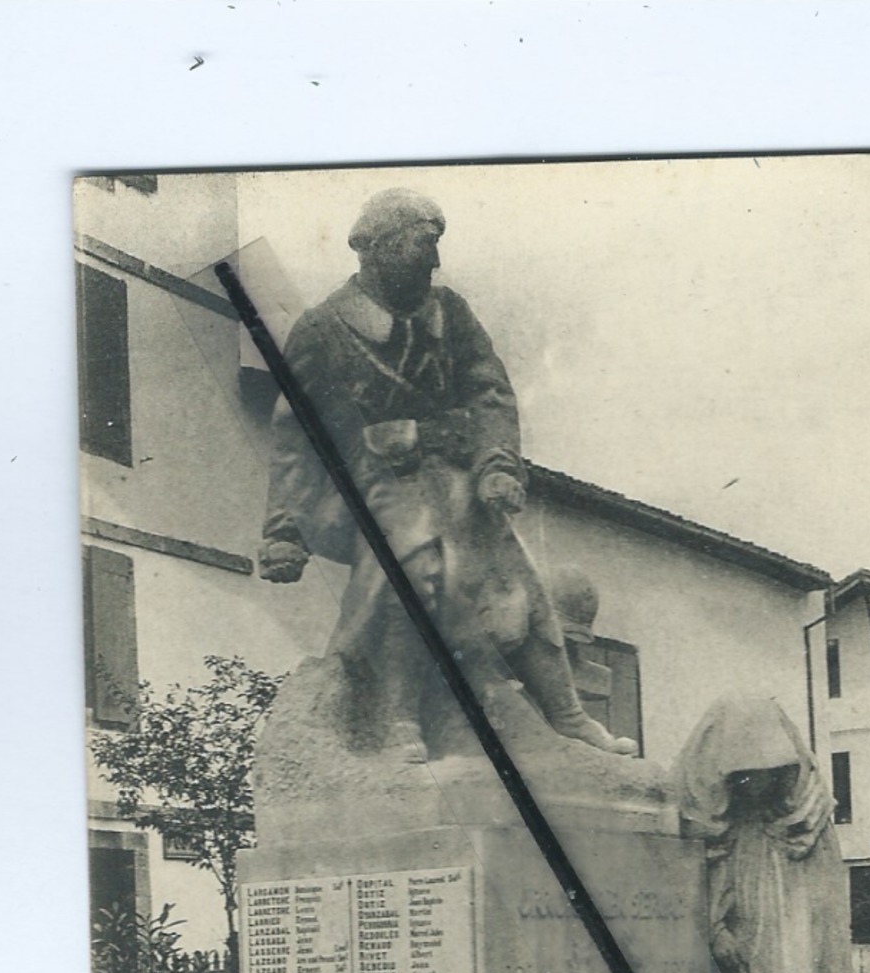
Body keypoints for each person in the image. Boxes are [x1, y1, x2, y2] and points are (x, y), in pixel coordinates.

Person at [259, 187, 636, 763]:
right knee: (413, 564)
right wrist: (285, 530)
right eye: (421, 246)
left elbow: (489, 393)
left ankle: (566, 715)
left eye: (436, 247)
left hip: (458, 479)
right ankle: (398, 716)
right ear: (375, 249)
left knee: (518, 573)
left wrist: (498, 466)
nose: (434, 261)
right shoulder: (323, 329)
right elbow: (296, 436)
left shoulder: (450, 312)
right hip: (375, 485)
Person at [672, 695, 857, 973]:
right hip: (739, 956)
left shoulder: (801, 821)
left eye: (771, 773)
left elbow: (821, 900)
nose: (760, 783)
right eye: (748, 774)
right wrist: (714, 928)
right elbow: (692, 884)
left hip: (789, 947)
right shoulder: (713, 825)